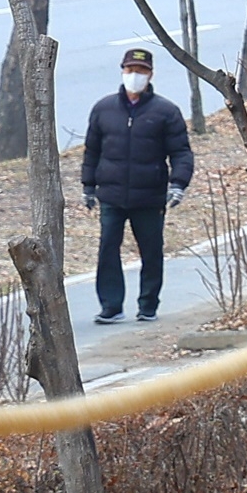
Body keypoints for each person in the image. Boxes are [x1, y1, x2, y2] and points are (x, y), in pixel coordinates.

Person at [82, 43, 190, 324]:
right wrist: (88, 186)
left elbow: (180, 152)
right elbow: (92, 150)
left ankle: (148, 304)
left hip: (150, 196)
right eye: (131, 69)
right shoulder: (103, 109)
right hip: (111, 195)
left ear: (150, 75)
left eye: (141, 70)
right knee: (107, 249)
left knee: (151, 251)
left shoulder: (166, 111)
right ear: (122, 71)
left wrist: (178, 183)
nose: (135, 75)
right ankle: (111, 306)